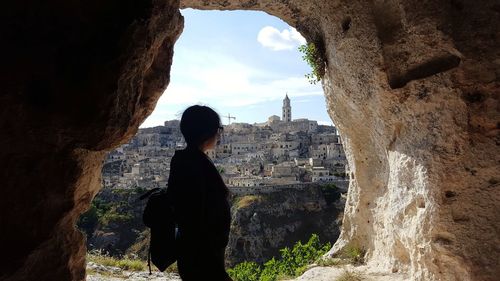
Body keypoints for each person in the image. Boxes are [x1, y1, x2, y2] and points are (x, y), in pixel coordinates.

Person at [166, 105, 232, 281]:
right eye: (218, 129)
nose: (219, 134)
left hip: (193, 251)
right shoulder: (196, 164)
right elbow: (196, 213)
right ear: (207, 132)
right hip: (203, 254)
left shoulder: (184, 159)